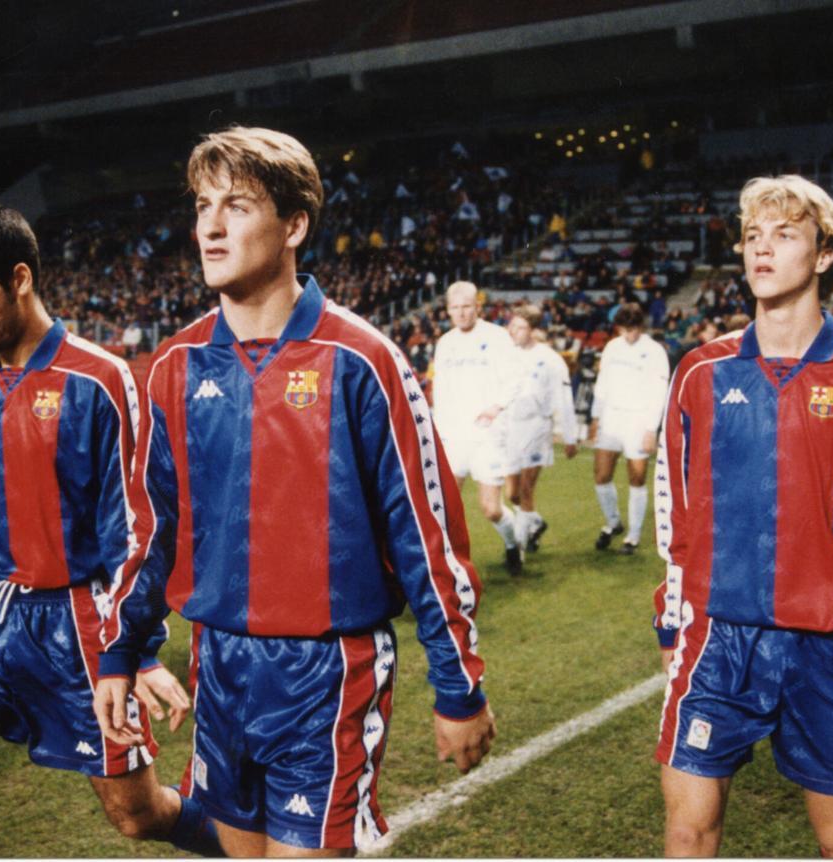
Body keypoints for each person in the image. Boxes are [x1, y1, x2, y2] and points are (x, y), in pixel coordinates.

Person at [119, 126, 494, 857]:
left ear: (294, 225)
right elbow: (152, 529)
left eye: (237, 205)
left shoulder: (362, 361)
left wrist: (461, 688)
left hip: (327, 671)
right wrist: (125, 652)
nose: (211, 226)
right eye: (202, 205)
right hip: (219, 664)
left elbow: (427, 535)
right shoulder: (175, 364)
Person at [0, 201, 219, 858]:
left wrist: (138, 652)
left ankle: (256, 849)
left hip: (78, 627)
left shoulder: (99, 380)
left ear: (21, 278)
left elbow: (138, 531)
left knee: (138, 813)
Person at [653, 175, 833, 857]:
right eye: (753, 236)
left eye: (784, 235)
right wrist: (672, 614)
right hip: (717, 638)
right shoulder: (701, 370)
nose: (762, 250)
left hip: (830, 644)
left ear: (825, 255)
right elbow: (676, 511)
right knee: (688, 830)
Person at [432, 281, 524, 574]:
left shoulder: (497, 337)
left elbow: (514, 378)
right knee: (444, 505)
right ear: (448, 310)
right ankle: (447, 565)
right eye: (455, 308)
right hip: (454, 436)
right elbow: (441, 388)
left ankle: (512, 544)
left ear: (478, 307)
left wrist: (496, 407)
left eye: (466, 307)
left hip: (488, 435)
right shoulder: (445, 342)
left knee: (491, 509)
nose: (460, 313)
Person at [588, 303, 669, 554]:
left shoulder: (654, 351)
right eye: (624, 329)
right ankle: (613, 523)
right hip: (611, 418)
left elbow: (659, 391)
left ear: (641, 327)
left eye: (632, 329)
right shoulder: (612, 347)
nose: (628, 334)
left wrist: (650, 429)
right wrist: (595, 416)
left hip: (638, 420)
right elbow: (602, 384)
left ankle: (632, 536)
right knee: (601, 476)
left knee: (636, 478)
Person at [503, 305, 578, 552]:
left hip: (537, 426)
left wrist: (570, 435)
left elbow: (564, 398)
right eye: (512, 325)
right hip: (512, 428)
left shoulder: (549, 360)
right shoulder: (507, 355)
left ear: (534, 330)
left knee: (526, 489)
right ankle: (535, 522)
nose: (513, 331)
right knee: (511, 493)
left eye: (521, 327)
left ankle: (519, 548)